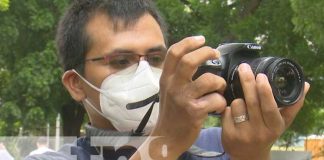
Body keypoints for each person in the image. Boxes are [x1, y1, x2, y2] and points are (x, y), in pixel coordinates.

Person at [25, 0, 310, 159]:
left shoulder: (224, 143)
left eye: (156, 58)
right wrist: (166, 142)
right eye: (121, 61)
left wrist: (253, 155)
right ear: (76, 84)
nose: (145, 72)